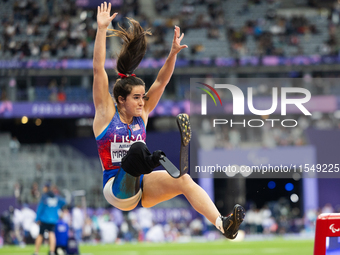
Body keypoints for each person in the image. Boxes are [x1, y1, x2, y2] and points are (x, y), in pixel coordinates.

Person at [93, 2, 245, 239]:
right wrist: (102, 29)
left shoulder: (141, 115)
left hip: (142, 186)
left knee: (184, 179)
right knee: (136, 150)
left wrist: (173, 54)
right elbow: (98, 71)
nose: (143, 102)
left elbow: (161, 82)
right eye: (136, 98)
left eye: (143, 97)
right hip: (116, 189)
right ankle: (151, 159)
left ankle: (222, 224)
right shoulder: (105, 114)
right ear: (121, 100)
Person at [33, 183, 66, 255]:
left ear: (46, 188)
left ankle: (36, 252)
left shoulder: (44, 197)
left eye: (44, 187)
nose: (43, 189)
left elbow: (40, 208)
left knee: (40, 234)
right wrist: (58, 207)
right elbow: (64, 202)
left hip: (44, 219)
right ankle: (52, 252)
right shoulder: (56, 197)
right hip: (53, 219)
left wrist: (37, 218)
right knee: (52, 234)